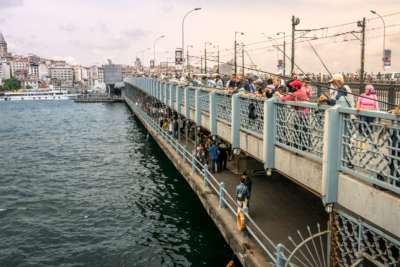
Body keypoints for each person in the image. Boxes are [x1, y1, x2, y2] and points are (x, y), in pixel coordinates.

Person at [275, 80, 310, 151]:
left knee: (299, 131)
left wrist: (279, 94)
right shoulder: (302, 92)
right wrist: (284, 94)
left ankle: (301, 147)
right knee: (304, 131)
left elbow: (284, 99)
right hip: (305, 114)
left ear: (296, 87)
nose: (291, 87)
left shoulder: (295, 94)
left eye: (293, 86)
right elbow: (291, 96)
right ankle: (303, 145)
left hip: (300, 115)